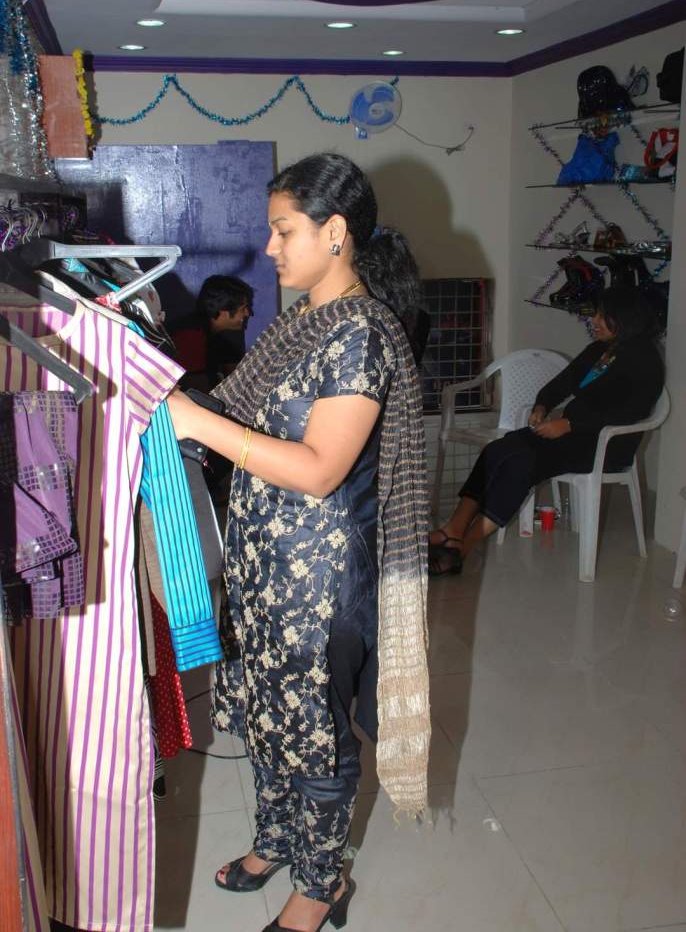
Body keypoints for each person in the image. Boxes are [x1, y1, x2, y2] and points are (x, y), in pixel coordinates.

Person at [166, 153, 430, 932]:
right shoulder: (301, 321)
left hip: (317, 577)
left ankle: (320, 886)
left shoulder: (361, 334)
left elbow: (320, 469)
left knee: (314, 734)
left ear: (335, 231)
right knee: (266, 714)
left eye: (284, 231)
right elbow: (232, 408)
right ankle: (276, 840)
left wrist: (195, 420)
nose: (270, 248)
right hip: (264, 565)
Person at [429, 286, 665, 576]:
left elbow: (630, 412)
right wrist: (542, 404)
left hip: (606, 444)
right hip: (570, 434)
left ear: (625, 317)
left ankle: (463, 547)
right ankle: (453, 530)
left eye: (603, 315)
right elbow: (563, 382)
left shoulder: (645, 359)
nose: (594, 320)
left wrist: (570, 424)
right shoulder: (601, 350)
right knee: (497, 450)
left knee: (521, 463)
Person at [172, 274, 254, 391]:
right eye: (243, 309)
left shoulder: (224, 334)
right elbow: (196, 388)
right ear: (223, 311)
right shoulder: (190, 337)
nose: (248, 314)